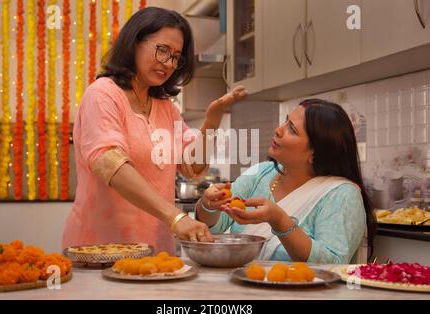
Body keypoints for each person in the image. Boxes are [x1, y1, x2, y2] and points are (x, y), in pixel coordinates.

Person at [62, 7, 247, 255]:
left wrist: (212, 121)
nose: (169, 64)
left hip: (156, 249)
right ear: (135, 42)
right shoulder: (103, 94)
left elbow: (191, 167)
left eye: (176, 57)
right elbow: (111, 164)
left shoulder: (164, 106)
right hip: (100, 250)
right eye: (162, 50)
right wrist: (176, 218)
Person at [196, 99, 376, 264]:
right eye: (285, 121)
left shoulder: (341, 194)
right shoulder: (261, 172)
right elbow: (215, 227)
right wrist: (208, 205)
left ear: (315, 152)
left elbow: (333, 264)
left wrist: (280, 220)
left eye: (292, 129)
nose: (278, 129)